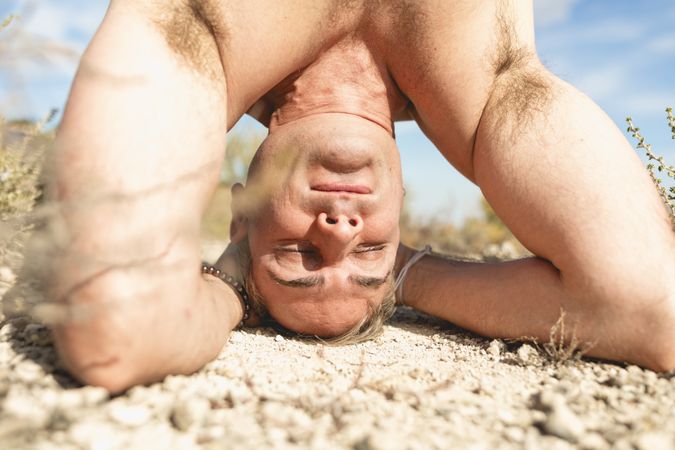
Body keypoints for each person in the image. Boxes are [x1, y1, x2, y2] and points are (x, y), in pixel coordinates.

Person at [26, 0, 675, 393]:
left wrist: (233, 282)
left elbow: (115, 333)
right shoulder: (489, 85)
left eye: (298, 256)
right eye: (368, 254)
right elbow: (651, 310)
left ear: (243, 210)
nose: (337, 230)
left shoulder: (196, 29)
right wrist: (409, 274)